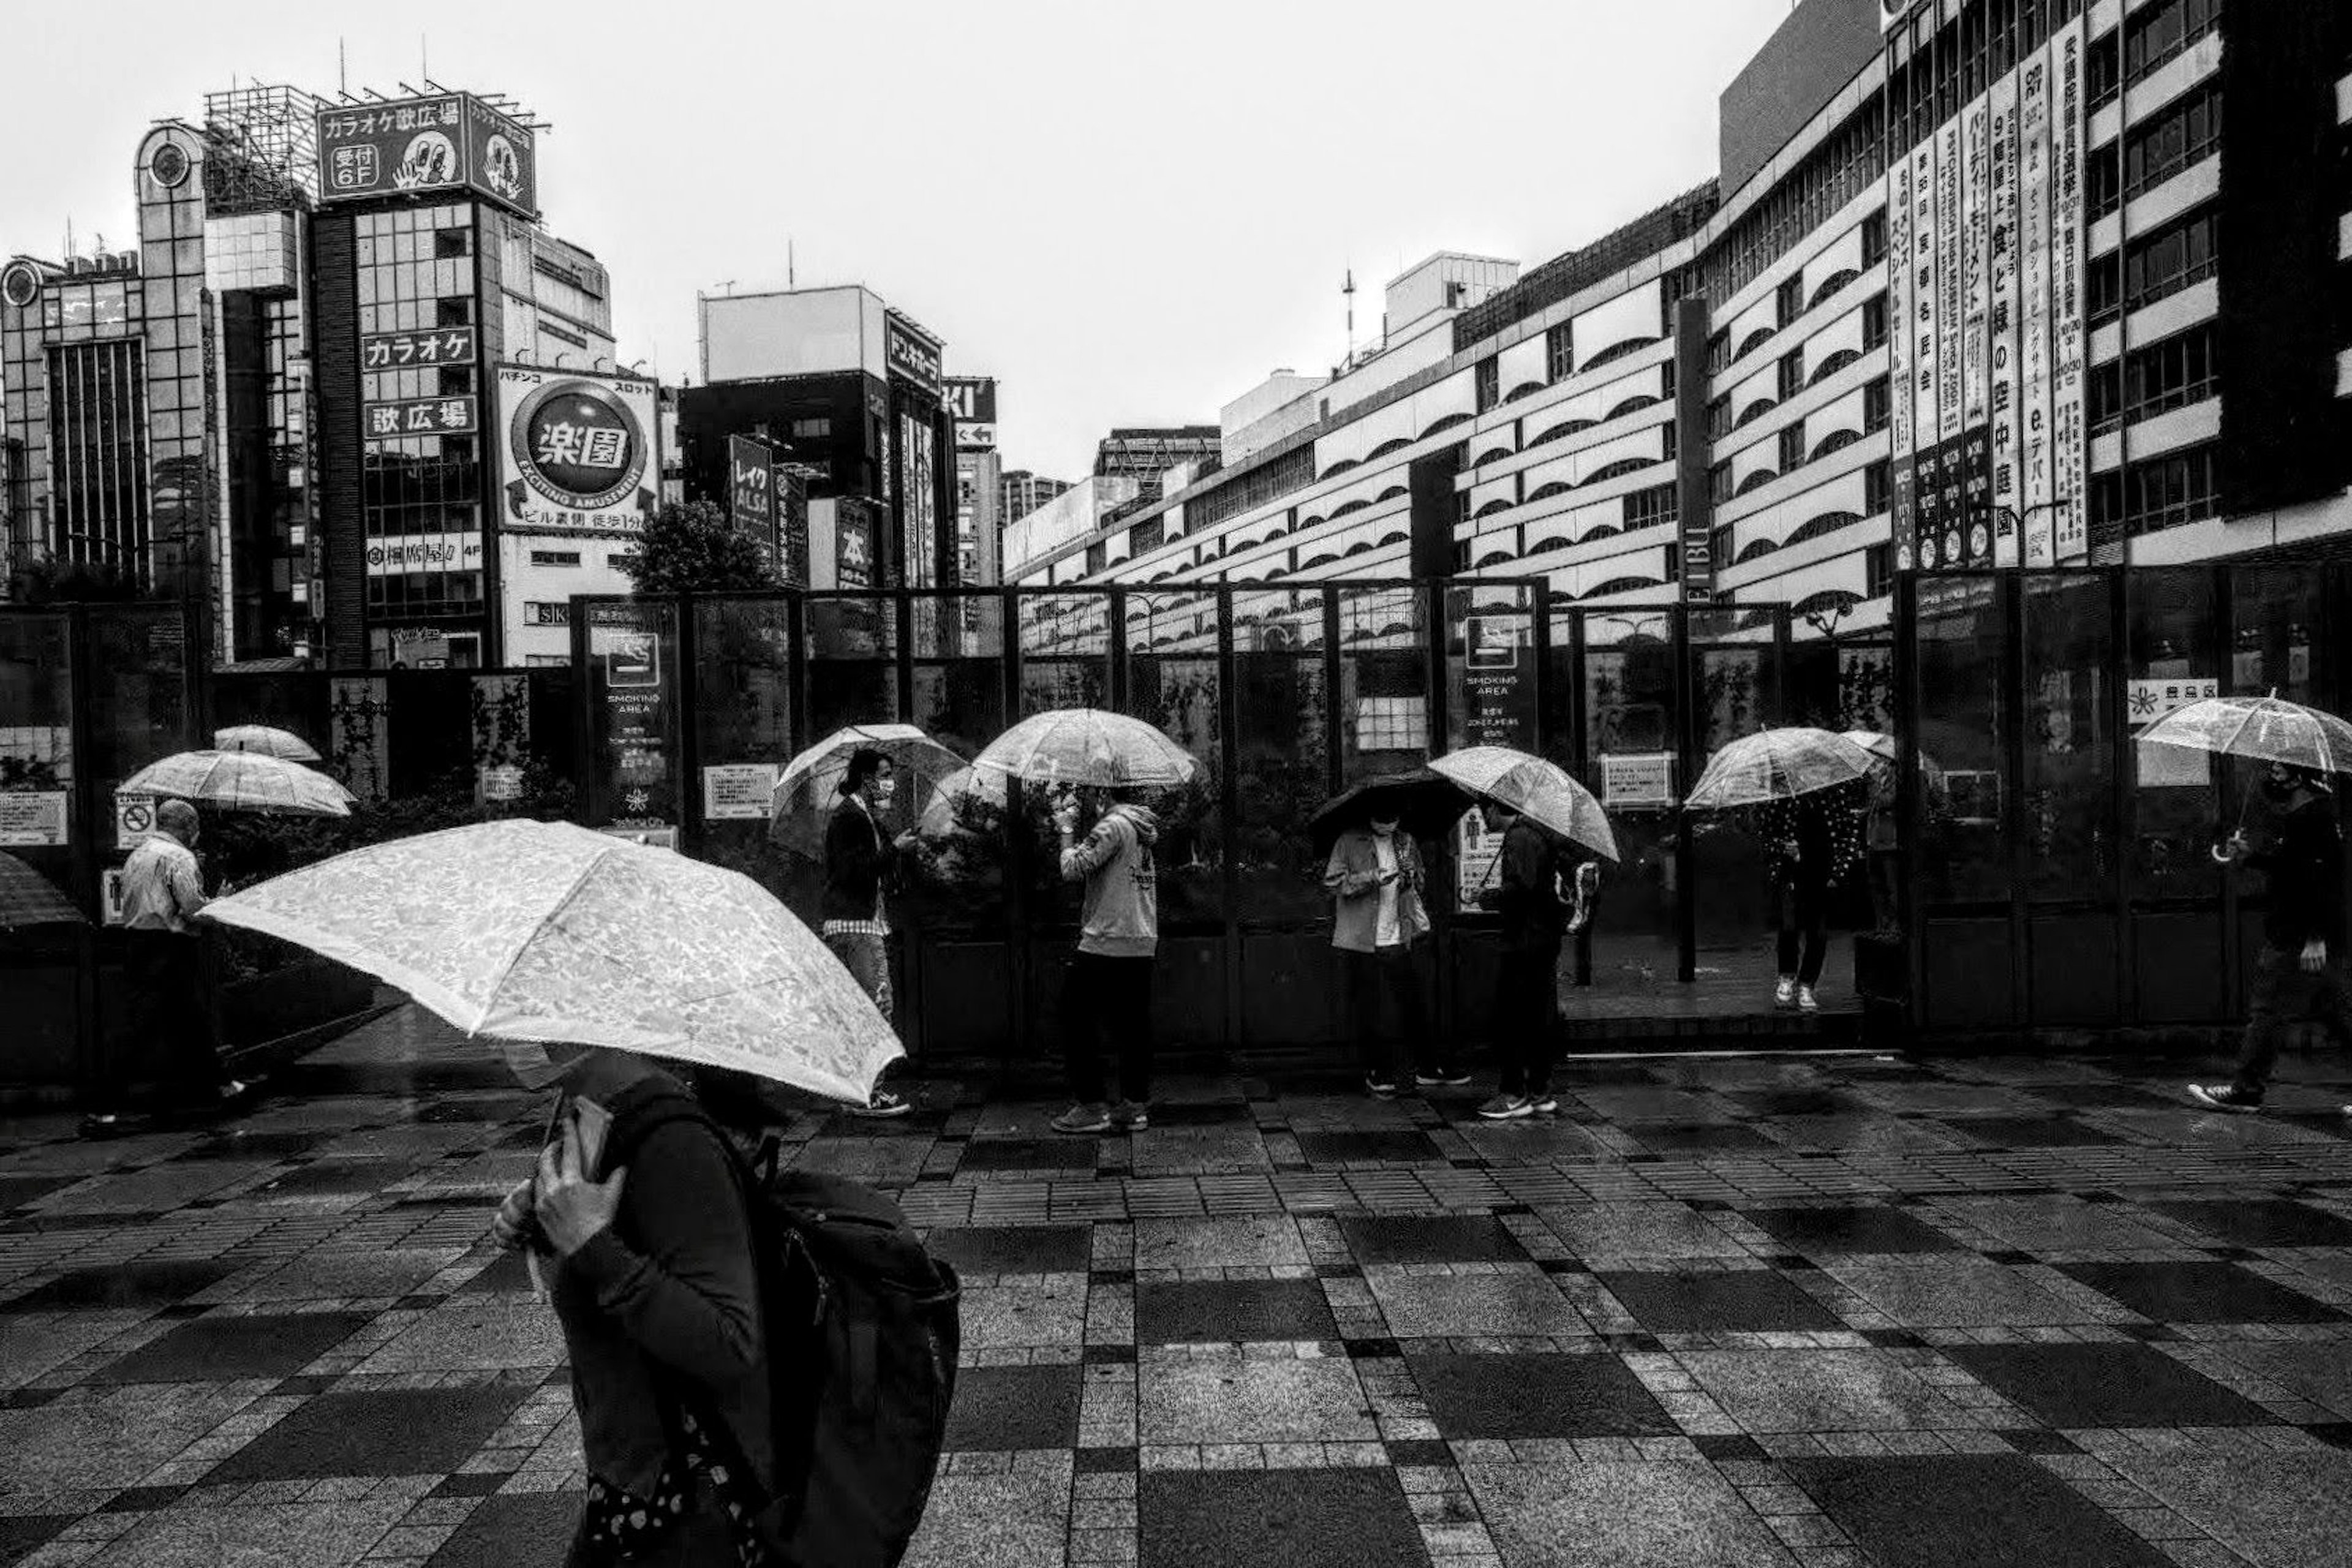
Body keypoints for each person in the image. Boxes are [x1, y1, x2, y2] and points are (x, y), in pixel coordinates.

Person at [489, 1042, 774, 1566]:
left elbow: (733, 1343)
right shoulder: (592, 1109)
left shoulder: (674, 1141)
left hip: (684, 1510)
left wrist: (591, 1244)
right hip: (629, 1486)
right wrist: (544, 1216)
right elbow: (621, 1237)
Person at [2190, 762, 2352, 1114]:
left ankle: (2246, 1089)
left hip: (2298, 938)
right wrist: (2250, 858)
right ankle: (2246, 1088)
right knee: (2338, 1011)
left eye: (2279, 772)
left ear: (2300, 779)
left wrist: (2314, 937)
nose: (2272, 778)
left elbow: (2322, 884)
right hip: (2305, 936)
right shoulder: (2306, 818)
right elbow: (2293, 869)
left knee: (2268, 1012)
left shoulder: (2314, 819)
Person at [84, 799, 247, 1137]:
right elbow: (191, 909)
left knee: (189, 1019)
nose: (197, 834)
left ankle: (222, 1086)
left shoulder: (138, 855)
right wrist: (222, 903)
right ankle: (103, 1107)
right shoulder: (179, 857)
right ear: (188, 827)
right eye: (195, 828)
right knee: (151, 1025)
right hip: (171, 947)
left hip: (139, 945)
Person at [1324, 806, 1463, 1097]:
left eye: (1393, 820)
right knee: (1370, 1006)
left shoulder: (1406, 842)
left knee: (1413, 1004)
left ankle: (1427, 1066)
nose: (1388, 825)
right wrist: (1373, 877)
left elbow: (1420, 881)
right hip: (1362, 939)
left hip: (1401, 935)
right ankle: (1378, 1070)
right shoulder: (1350, 841)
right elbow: (1334, 882)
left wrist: (1413, 878)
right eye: (1382, 819)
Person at [1049, 784, 1161, 1135]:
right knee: (1132, 1026)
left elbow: (1073, 869)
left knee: (1074, 1017)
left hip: (1107, 939)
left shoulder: (1112, 825)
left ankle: (1091, 1105)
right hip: (1140, 938)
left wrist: (1066, 829)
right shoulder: (1141, 828)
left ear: (1102, 796)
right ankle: (1133, 1106)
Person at [823, 748, 919, 1118]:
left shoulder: (862, 816)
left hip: (861, 924)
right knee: (876, 1008)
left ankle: (862, 1091)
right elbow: (852, 870)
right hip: (855, 927)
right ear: (866, 778)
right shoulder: (849, 817)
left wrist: (889, 838)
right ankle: (867, 1094)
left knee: (867, 1008)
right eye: (884, 774)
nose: (888, 781)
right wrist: (893, 849)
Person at [1476, 801, 1587, 1121]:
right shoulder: (1537, 834)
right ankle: (1539, 1091)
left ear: (1497, 811)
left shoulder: (1521, 837)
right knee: (1538, 1015)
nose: (1484, 819)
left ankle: (1513, 1094)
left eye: (1486, 812)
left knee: (1512, 1017)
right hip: (1541, 939)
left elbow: (1521, 889)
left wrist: (1488, 898)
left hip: (1524, 942)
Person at [1756, 786, 1863, 1014]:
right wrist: (1784, 849)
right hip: (1790, 875)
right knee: (1789, 927)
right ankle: (1787, 978)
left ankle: (1807, 984)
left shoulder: (1834, 797)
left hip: (1820, 875)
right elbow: (1766, 834)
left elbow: (1847, 834)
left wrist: (1837, 872)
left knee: (1818, 931)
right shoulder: (1783, 800)